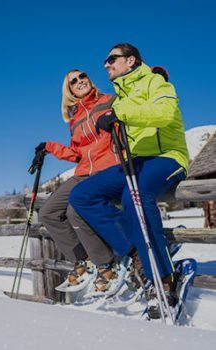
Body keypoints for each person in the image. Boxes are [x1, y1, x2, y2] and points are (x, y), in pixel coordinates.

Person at [69, 43, 189, 317]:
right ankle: (136, 250)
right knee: (82, 195)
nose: (106, 65)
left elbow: (164, 114)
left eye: (112, 59)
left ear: (131, 60)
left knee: (135, 195)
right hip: (136, 162)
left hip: (167, 156)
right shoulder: (120, 96)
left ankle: (163, 276)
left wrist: (119, 115)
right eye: (106, 61)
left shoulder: (156, 82)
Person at [33, 69, 129, 294]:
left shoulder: (109, 101)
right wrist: (49, 147)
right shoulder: (75, 119)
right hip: (84, 172)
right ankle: (82, 259)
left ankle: (106, 264)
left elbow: (126, 130)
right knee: (48, 212)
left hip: (109, 167)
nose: (79, 81)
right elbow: (76, 154)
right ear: (69, 91)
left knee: (76, 209)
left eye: (81, 76)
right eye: (73, 81)